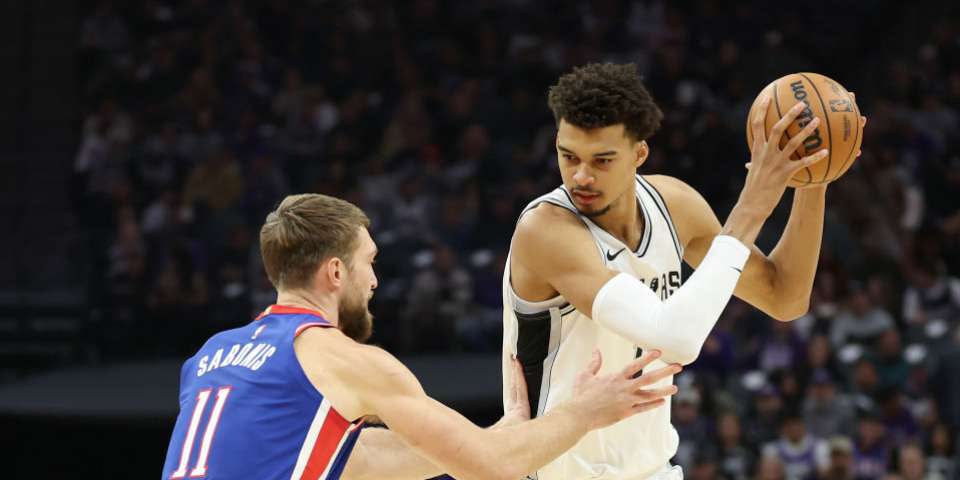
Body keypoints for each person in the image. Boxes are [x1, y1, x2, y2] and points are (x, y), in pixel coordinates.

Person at [502, 62, 866, 479]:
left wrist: (814, 176)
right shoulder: (546, 231)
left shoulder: (674, 205)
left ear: (639, 154)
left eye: (602, 160)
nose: (581, 176)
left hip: (654, 470)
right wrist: (753, 204)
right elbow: (676, 339)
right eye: (569, 157)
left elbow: (784, 297)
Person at [161, 193, 681, 480]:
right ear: (336, 272)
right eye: (369, 263)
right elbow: (492, 470)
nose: (374, 281)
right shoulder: (343, 359)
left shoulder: (211, 356)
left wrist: (498, 433)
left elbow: (360, 459)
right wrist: (584, 411)